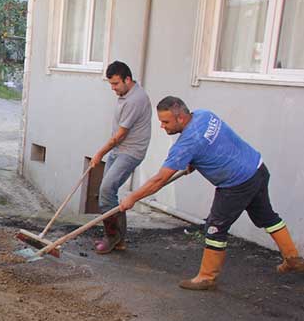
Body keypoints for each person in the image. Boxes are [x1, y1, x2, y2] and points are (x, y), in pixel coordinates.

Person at [119, 96, 304, 290]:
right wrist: (193, 161)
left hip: (236, 184)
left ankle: (207, 277)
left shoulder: (186, 145)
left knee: (215, 227)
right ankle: (291, 257)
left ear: (181, 118)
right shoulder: (204, 115)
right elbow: (213, 144)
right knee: (267, 217)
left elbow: (159, 180)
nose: (162, 126)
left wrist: (132, 197)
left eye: (165, 122)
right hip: (257, 168)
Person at [90, 61, 152, 254]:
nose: (113, 88)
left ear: (127, 79)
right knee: (107, 192)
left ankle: (112, 237)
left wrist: (99, 153)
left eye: (116, 84)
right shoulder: (127, 93)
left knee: (107, 190)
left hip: (130, 151)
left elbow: (120, 135)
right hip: (118, 150)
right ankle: (118, 239)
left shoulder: (136, 99)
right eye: (111, 84)